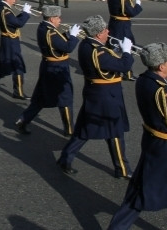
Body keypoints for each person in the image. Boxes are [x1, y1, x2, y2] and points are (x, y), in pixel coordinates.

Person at [107, 43, 167, 230]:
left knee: (137, 194)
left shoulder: (145, 80)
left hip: (152, 143)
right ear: (161, 66)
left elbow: (163, 109)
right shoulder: (164, 91)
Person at [57, 15, 133, 178]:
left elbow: (109, 61)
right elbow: (124, 66)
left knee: (84, 130)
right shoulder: (99, 52)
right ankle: (122, 169)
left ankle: (66, 157)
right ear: (98, 34)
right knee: (115, 131)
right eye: (106, 30)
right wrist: (126, 52)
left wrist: (116, 52)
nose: (108, 32)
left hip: (95, 92)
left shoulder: (87, 44)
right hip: (106, 96)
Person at [15, 5, 80, 135]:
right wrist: (73, 37)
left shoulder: (43, 27)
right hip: (57, 68)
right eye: (58, 18)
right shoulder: (51, 32)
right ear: (51, 19)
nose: (60, 20)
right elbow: (67, 48)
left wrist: (66, 34)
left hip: (47, 65)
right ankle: (69, 130)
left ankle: (24, 119)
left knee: (40, 98)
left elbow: (57, 42)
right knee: (65, 98)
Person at [107, 0, 143, 77]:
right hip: (122, 25)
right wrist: (138, 6)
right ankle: (126, 72)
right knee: (127, 48)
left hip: (113, 22)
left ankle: (115, 70)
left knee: (113, 46)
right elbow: (131, 12)